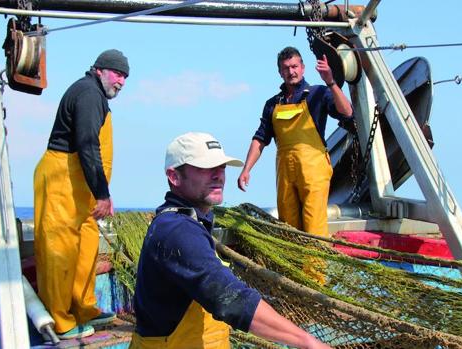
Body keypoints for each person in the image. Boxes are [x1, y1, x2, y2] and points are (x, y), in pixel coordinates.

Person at [130, 132, 331, 349]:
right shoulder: (178, 231)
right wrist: (308, 342)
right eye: (205, 167)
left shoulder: (189, 222)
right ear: (174, 176)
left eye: (222, 167)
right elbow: (230, 298)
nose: (218, 175)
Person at [33, 49, 129, 340]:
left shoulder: (96, 96)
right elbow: (87, 145)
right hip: (62, 179)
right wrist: (102, 193)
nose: (121, 81)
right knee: (60, 251)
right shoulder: (88, 93)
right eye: (117, 74)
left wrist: (98, 194)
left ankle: (84, 306)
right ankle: (61, 321)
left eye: (125, 77)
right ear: (99, 70)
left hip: (81, 187)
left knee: (86, 245)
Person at [237, 46, 353, 238]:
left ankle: (316, 269)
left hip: (313, 169)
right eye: (286, 68)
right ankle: (293, 268)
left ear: (303, 67)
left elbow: (346, 112)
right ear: (280, 72)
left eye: (294, 66)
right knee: (288, 227)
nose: (291, 72)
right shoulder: (273, 103)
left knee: (314, 225)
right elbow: (260, 139)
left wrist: (331, 83)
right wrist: (246, 169)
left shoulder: (318, 93)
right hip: (285, 172)